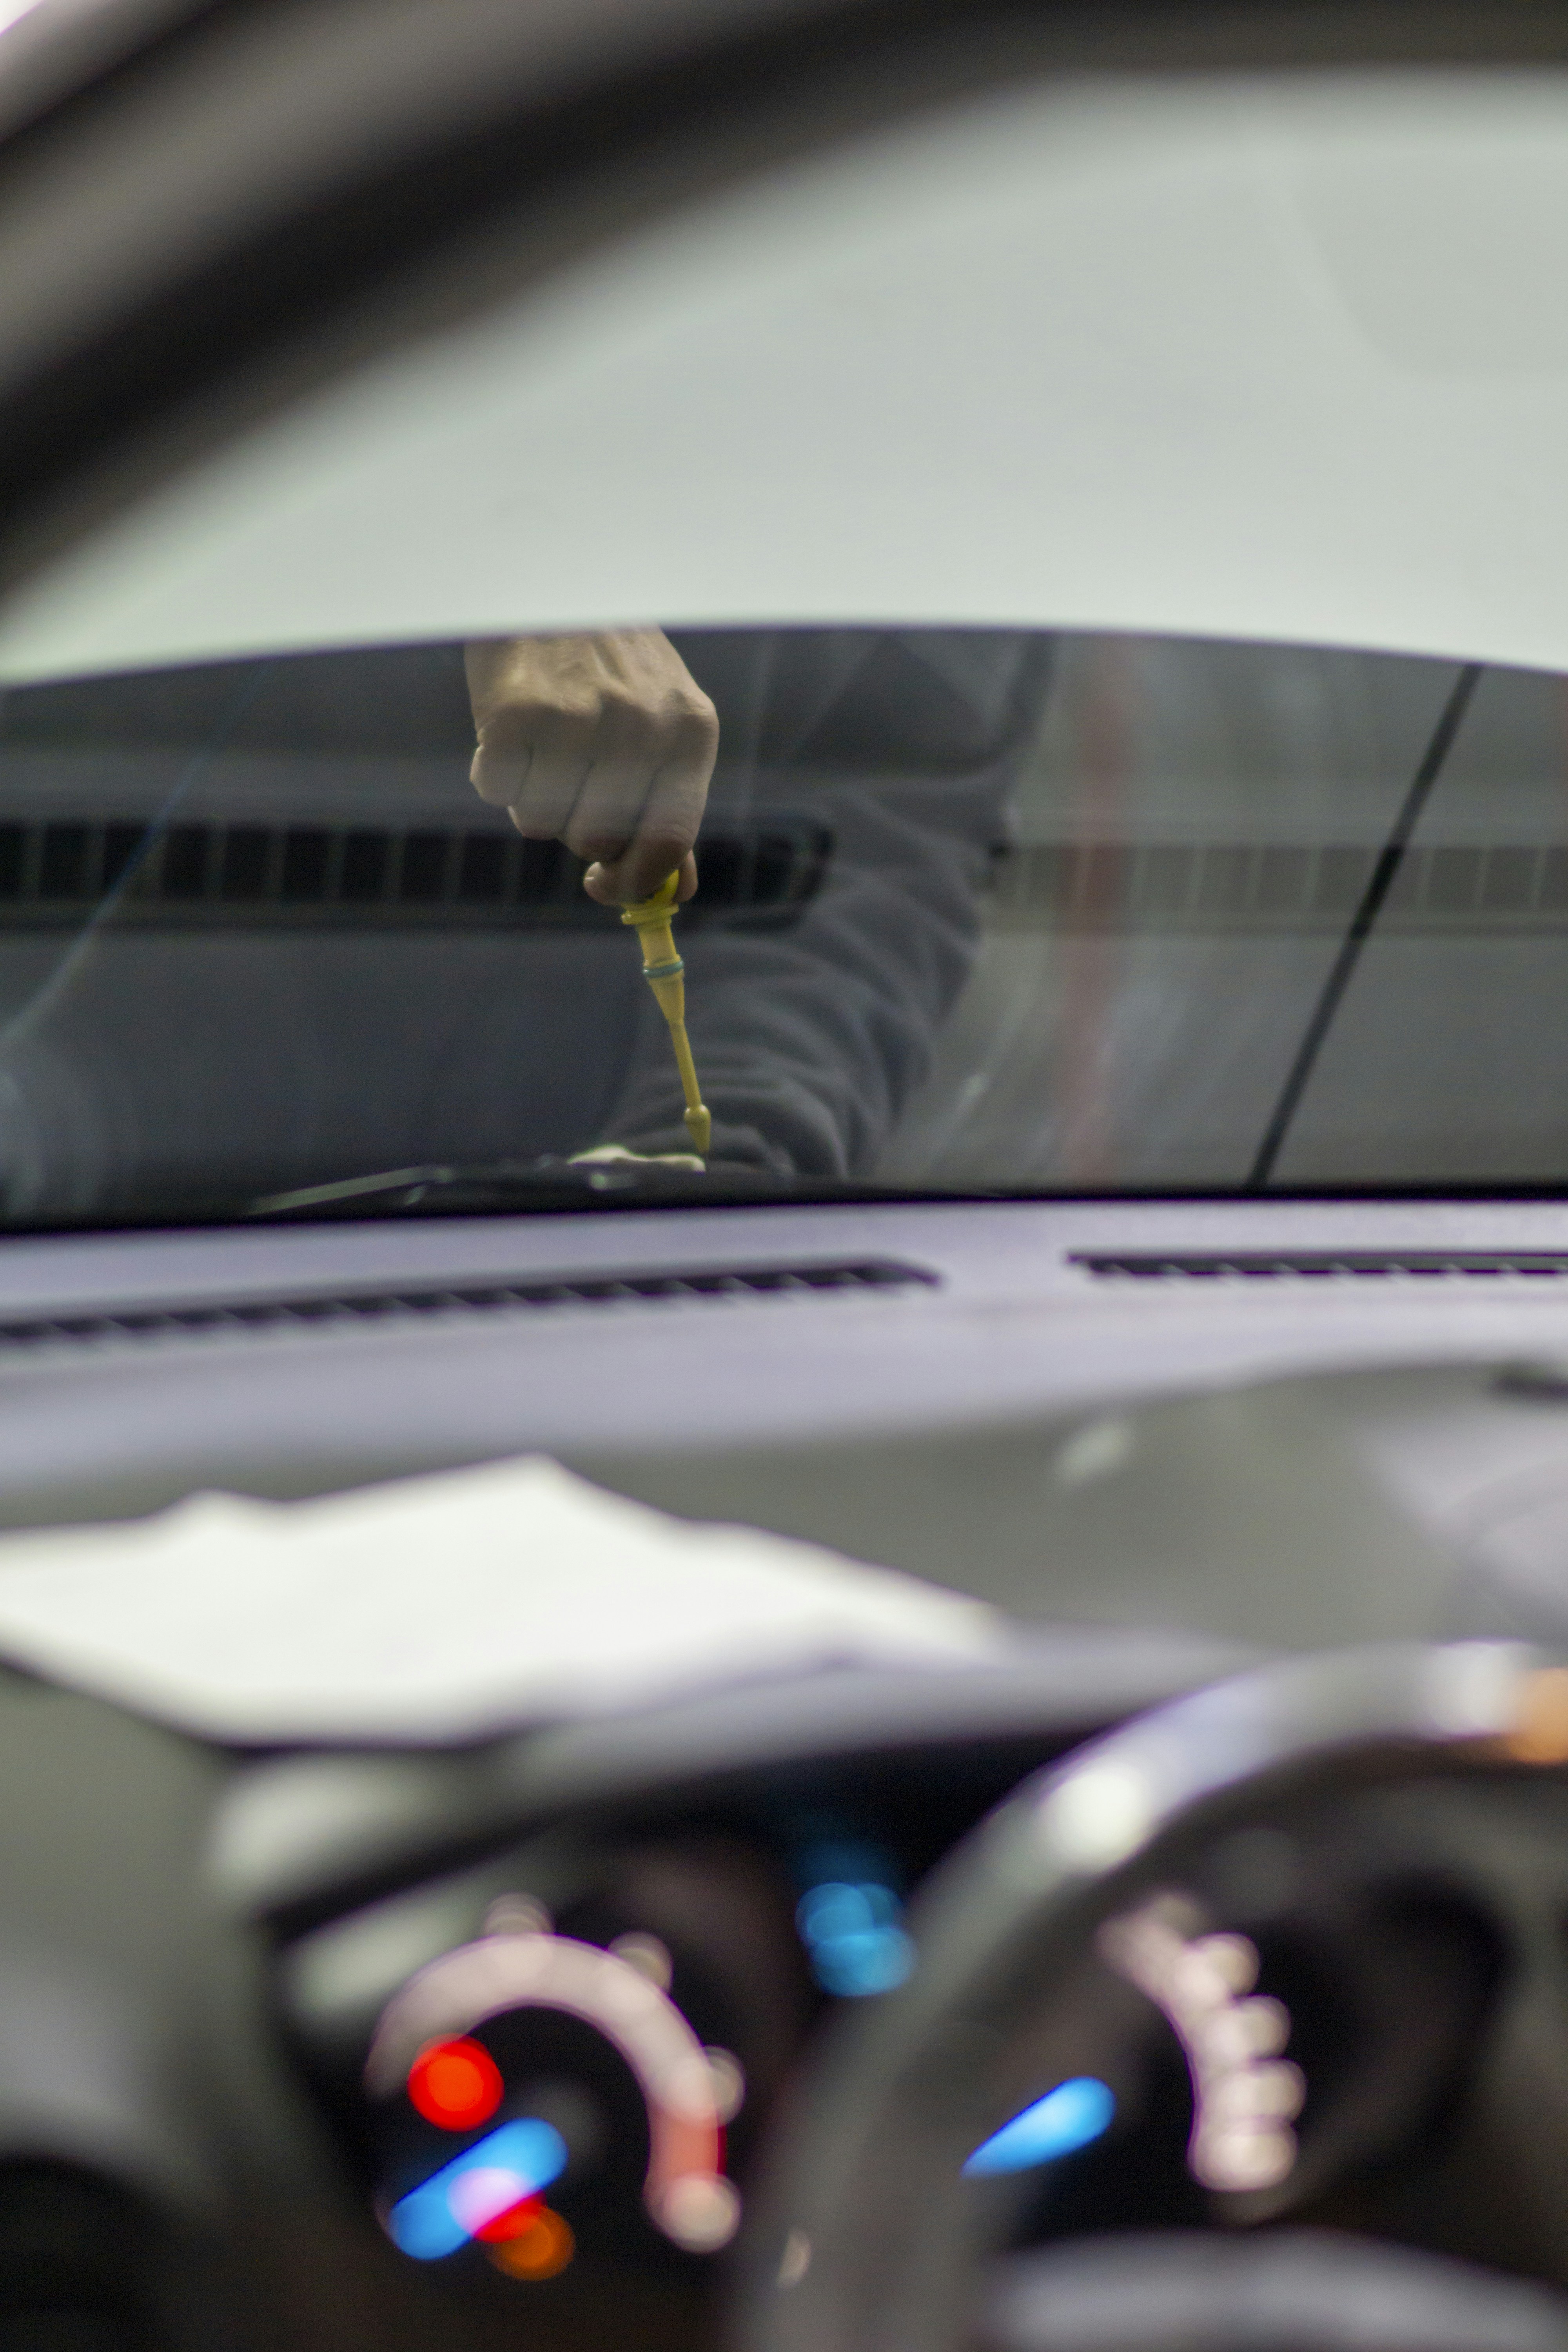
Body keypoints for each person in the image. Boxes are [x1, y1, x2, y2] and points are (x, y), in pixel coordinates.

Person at [0, 625, 1052, 1212]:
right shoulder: (340, 245)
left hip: (528, 1261)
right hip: (63, 1153)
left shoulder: (953, 437)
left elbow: (869, 869)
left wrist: (705, 1173)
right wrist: (508, 569)